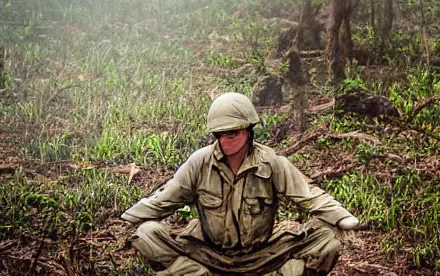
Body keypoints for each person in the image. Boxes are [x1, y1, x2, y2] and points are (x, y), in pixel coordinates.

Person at [122, 92, 359, 276]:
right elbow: (165, 199)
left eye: (232, 133)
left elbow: (309, 195)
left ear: (248, 130)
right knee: (146, 234)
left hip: (262, 253)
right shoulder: (199, 162)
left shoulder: (271, 162)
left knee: (328, 237)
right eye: (219, 134)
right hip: (209, 252)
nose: (225, 140)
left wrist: (340, 216)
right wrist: (130, 216)